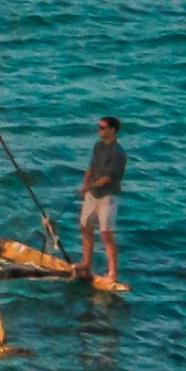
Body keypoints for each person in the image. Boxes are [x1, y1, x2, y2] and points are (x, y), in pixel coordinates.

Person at [78, 115, 127, 284]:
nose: (99, 130)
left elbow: (108, 178)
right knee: (85, 227)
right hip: (92, 193)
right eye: (99, 127)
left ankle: (112, 272)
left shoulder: (118, 153)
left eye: (102, 127)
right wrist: (85, 185)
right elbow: (91, 167)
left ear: (112, 130)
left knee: (106, 234)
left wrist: (88, 187)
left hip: (107, 196)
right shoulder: (98, 146)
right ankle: (86, 263)